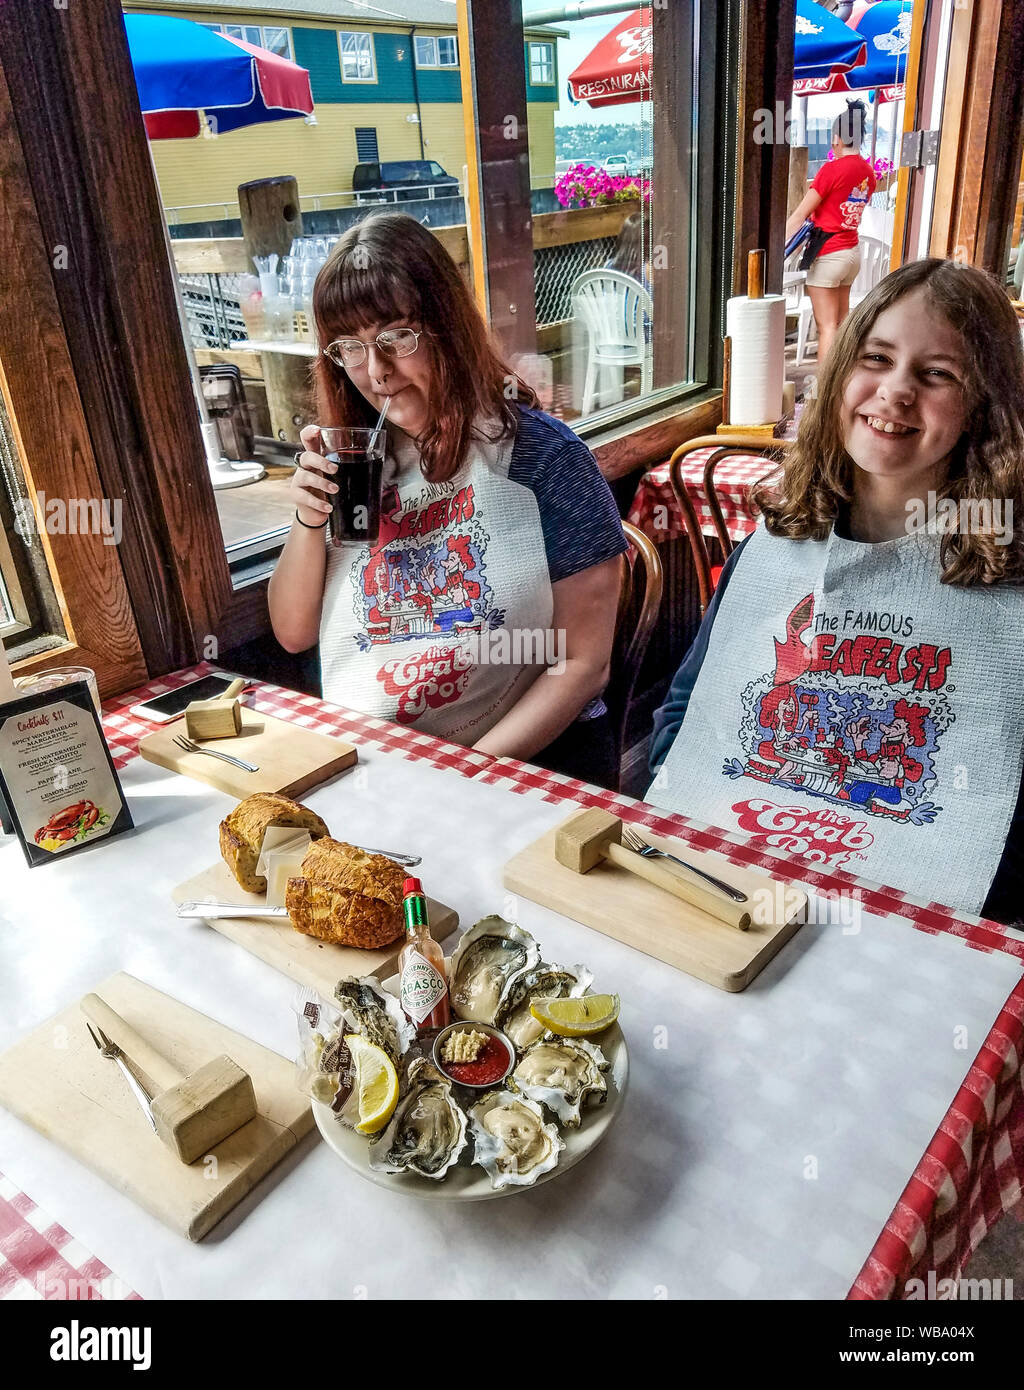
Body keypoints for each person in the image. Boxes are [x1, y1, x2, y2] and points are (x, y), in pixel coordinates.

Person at [647, 259, 1024, 923]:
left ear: (982, 407)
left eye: (938, 374)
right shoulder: (769, 548)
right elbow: (685, 711)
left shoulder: (1011, 581)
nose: (896, 392)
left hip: (911, 923)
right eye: (876, 358)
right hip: (729, 889)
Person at [268, 213, 628, 785]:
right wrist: (308, 518)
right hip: (378, 763)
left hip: (531, 767)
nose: (377, 372)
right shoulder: (354, 462)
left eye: (396, 337)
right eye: (351, 349)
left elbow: (584, 665)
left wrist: (461, 775)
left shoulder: (545, 458)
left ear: (447, 328)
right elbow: (295, 631)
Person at [786, 100, 876, 367]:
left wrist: (778, 245)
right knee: (840, 324)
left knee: (826, 327)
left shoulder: (831, 170)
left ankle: (824, 390)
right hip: (851, 254)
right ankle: (841, 382)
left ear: (837, 138)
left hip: (828, 256)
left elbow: (801, 213)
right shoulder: (868, 172)